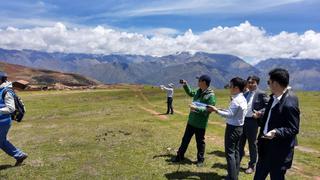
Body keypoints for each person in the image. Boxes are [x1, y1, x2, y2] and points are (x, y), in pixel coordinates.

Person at [254, 68, 300, 180]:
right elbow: (272, 111)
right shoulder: (274, 97)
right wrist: (261, 114)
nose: (268, 85)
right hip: (265, 147)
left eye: (269, 82)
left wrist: (276, 132)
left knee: (276, 177)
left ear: (275, 83)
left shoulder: (290, 103)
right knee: (258, 176)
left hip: (279, 152)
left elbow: (293, 128)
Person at [207, 77, 247, 180]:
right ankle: (235, 174)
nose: (229, 87)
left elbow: (229, 114)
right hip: (240, 128)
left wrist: (216, 110)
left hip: (232, 129)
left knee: (230, 153)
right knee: (236, 152)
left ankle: (232, 177)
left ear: (236, 88)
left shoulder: (235, 100)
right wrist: (221, 109)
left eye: (231, 85)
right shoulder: (242, 98)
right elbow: (234, 113)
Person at [172, 75, 216, 167]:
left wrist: (196, 108)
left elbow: (209, 109)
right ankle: (179, 156)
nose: (198, 82)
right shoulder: (198, 91)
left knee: (200, 142)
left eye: (199, 80)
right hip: (191, 121)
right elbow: (191, 93)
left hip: (200, 123)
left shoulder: (211, 95)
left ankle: (200, 160)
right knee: (185, 139)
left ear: (204, 82)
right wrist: (185, 85)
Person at [239, 76, 269, 174]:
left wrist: (260, 113)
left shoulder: (261, 93)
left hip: (252, 121)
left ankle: (251, 165)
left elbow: (268, 106)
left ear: (257, 83)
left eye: (253, 82)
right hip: (242, 121)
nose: (250, 84)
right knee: (240, 143)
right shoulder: (245, 93)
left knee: (252, 144)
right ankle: (236, 163)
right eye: (249, 82)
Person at [0, 72, 28, 166]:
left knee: (1, 141)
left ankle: (19, 155)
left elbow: (11, 109)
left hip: (3, 121)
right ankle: (19, 155)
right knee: (2, 141)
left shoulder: (6, 91)